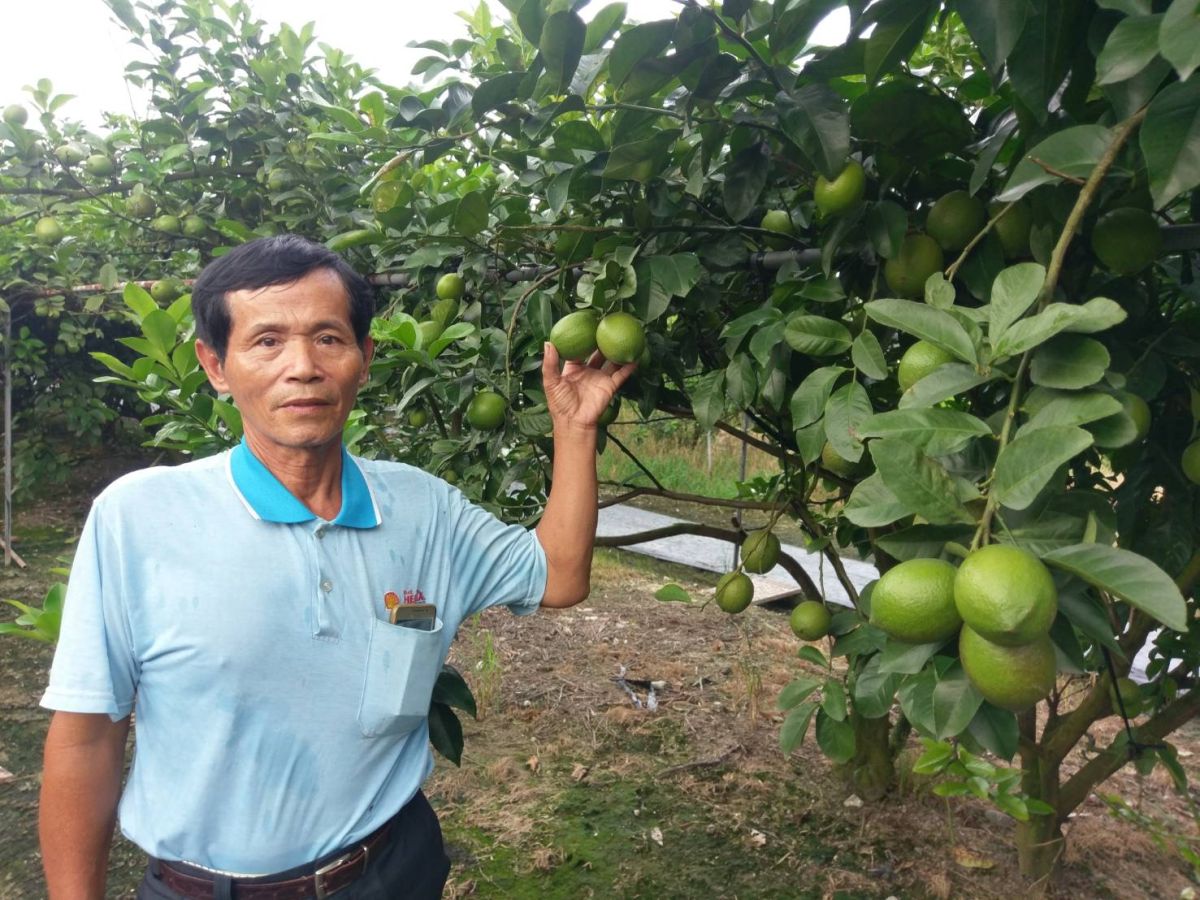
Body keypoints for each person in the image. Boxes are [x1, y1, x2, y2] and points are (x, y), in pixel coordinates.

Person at [38, 234, 634, 899]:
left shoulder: (421, 508)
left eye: (328, 338)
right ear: (215, 365)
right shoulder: (141, 518)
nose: (302, 366)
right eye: (266, 342)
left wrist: (575, 430)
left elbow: (559, 574)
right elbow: (87, 736)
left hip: (388, 872)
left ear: (364, 358)